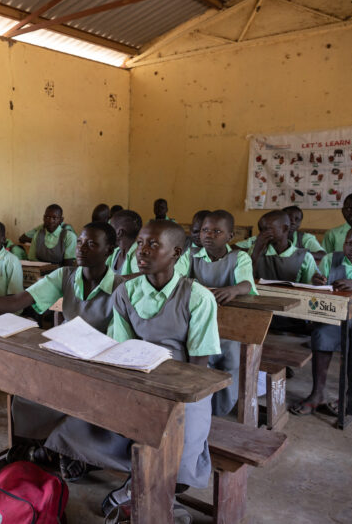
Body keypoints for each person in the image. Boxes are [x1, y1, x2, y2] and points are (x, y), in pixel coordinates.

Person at [0, 222, 122, 482]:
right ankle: (44, 447)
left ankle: (70, 452)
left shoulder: (120, 287)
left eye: (92, 244)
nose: (81, 248)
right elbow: (18, 301)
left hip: (100, 362)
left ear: (109, 250)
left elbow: (122, 340)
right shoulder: (65, 275)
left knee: (89, 401)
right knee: (27, 388)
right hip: (65, 353)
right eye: (81, 242)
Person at [101, 220, 220, 521]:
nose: (142, 251)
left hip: (187, 389)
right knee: (106, 428)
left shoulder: (198, 297)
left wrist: (174, 401)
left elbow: (199, 367)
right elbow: (121, 348)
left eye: (153, 245)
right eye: (140, 243)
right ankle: (139, 486)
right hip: (140, 378)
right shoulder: (125, 293)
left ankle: (152, 494)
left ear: (176, 252)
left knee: (179, 457)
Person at [176, 210, 257, 416]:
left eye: (216, 231)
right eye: (204, 230)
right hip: (197, 323)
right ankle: (200, 410)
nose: (208, 235)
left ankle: (221, 410)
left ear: (230, 236)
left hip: (228, 327)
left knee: (229, 364)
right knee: (200, 364)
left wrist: (234, 289)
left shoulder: (239, 257)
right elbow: (175, 278)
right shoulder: (191, 255)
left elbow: (247, 284)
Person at [290, 227, 352, 416]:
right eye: (350, 243)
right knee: (322, 334)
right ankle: (317, 393)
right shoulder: (332, 259)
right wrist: (318, 282)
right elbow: (320, 288)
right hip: (338, 315)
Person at [249, 210, 321, 283]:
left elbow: (310, 285)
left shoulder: (305, 257)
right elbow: (246, 278)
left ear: (285, 228)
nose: (262, 234)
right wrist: (256, 251)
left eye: (267, 229)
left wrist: (315, 281)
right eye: (261, 230)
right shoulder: (255, 250)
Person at [107, 209, 142, 276]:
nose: (108, 232)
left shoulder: (136, 256)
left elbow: (141, 278)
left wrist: (117, 281)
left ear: (119, 232)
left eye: (111, 227)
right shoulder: (115, 252)